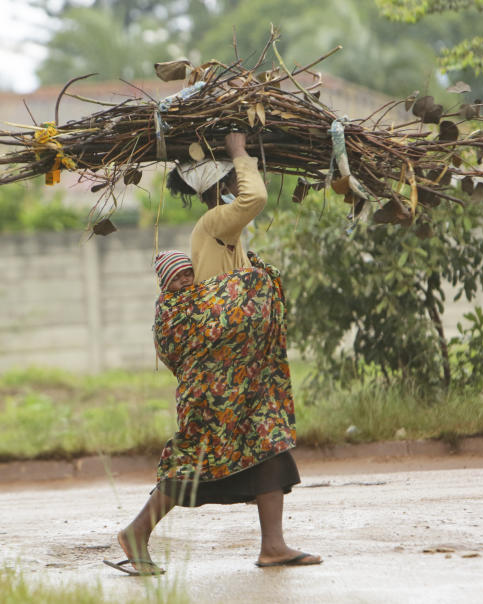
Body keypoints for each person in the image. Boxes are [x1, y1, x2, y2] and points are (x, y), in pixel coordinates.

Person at [105, 133, 321, 576]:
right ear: (217, 190)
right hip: (219, 387)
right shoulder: (211, 227)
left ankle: (274, 546)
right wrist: (240, 151)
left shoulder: (229, 242)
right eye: (228, 184)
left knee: (269, 445)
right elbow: (256, 196)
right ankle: (136, 532)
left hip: (246, 381)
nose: (233, 193)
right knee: (197, 458)